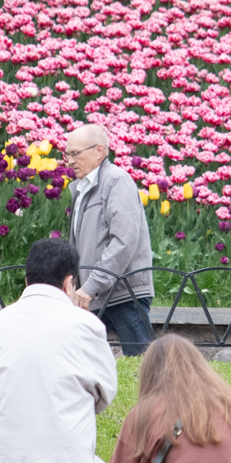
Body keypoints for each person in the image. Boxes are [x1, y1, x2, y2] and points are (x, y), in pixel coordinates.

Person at [0, 235, 118, 463]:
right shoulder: (84, 324)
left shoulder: (0, 322)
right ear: (69, 282)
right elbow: (105, 391)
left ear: (27, 279)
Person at [64, 123, 155, 358]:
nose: (69, 161)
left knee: (144, 366)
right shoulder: (83, 188)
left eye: (75, 153)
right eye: (67, 154)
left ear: (99, 150)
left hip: (123, 292)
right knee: (84, 364)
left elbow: (123, 242)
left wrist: (92, 285)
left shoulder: (117, 181)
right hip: (91, 294)